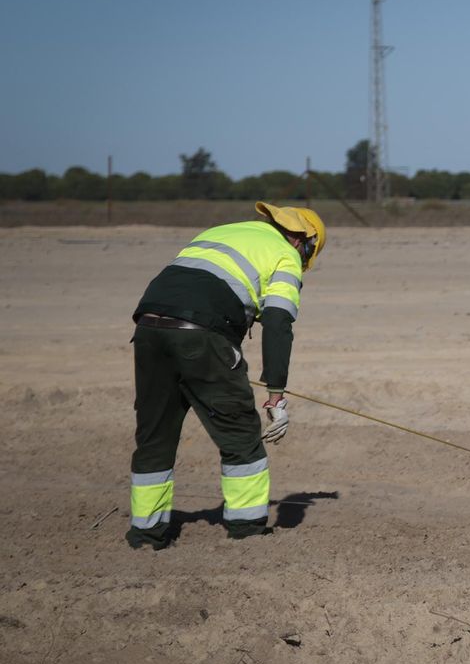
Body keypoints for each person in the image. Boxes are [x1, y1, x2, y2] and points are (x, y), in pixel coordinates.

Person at [125, 202, 326, 550]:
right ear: (302, 242)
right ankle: (247, 530)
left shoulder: (220, 232)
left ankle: (146, 534)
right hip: (202, 334)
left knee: (155, 436)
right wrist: (276, 393)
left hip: (148, 326)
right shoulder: (284, 254)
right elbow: (278, 322)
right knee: (240, 432)